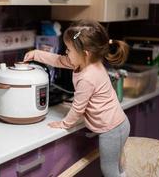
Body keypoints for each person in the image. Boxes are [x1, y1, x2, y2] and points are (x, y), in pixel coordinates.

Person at [24, 20, 130, 177]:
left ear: (85, 53)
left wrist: (64, 123)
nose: (66, 53)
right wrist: (36, 54)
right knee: (118, 167)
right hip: (118, 124)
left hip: (111, 130)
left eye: (68, 50)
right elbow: (58, 60)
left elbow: (78, 107)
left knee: (110, 171)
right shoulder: (86, 62)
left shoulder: (87, 77)